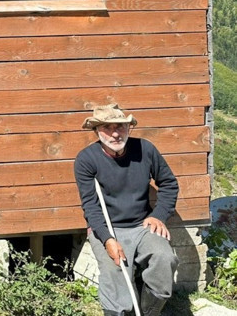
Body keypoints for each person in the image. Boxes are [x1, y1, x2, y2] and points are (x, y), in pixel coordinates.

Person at [74, 104, 179, 316]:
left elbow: (169, 184)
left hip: (141, 225)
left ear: (129, 128)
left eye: (120, 127)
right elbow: (91, 206)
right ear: (96, 131)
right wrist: (107, 239)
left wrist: (158, 215)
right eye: (107, 127)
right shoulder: (86, 159)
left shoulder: (145, 149)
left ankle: (149, 312)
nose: (115, 133)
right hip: (108, 227)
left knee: (164, 257)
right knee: (114, 271)